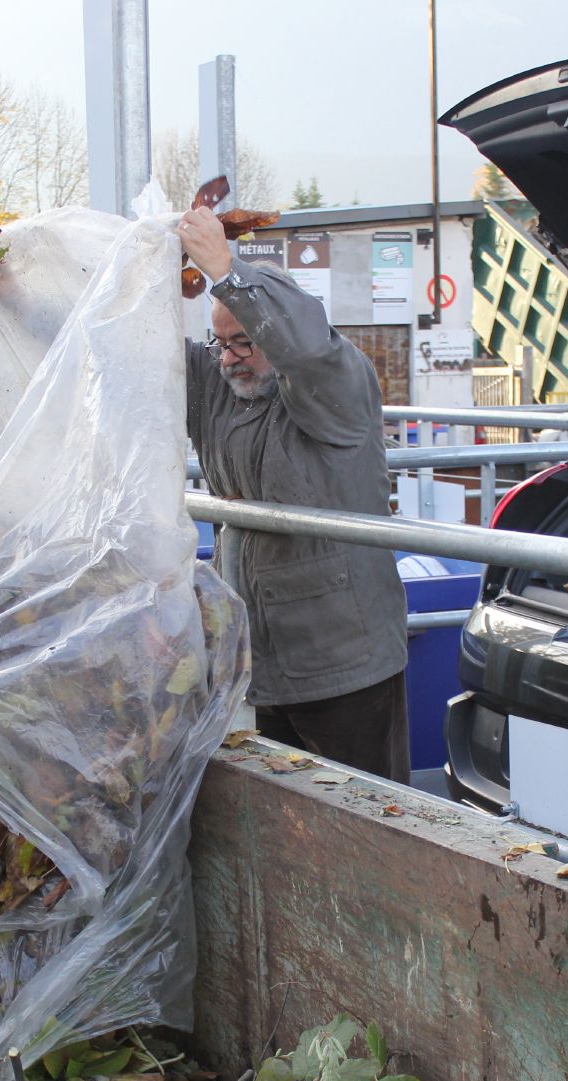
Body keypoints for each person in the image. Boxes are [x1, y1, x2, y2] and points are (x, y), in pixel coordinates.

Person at [176, 206, 410, 783]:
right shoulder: (223, 388)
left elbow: (305, 348)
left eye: (244, 342)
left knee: (369, 822)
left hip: (344, 661)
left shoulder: (334, 387)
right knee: (288, 816)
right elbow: (138, 353)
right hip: (260, 658)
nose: (228, 357)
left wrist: (225, 269)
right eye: (219, 342)